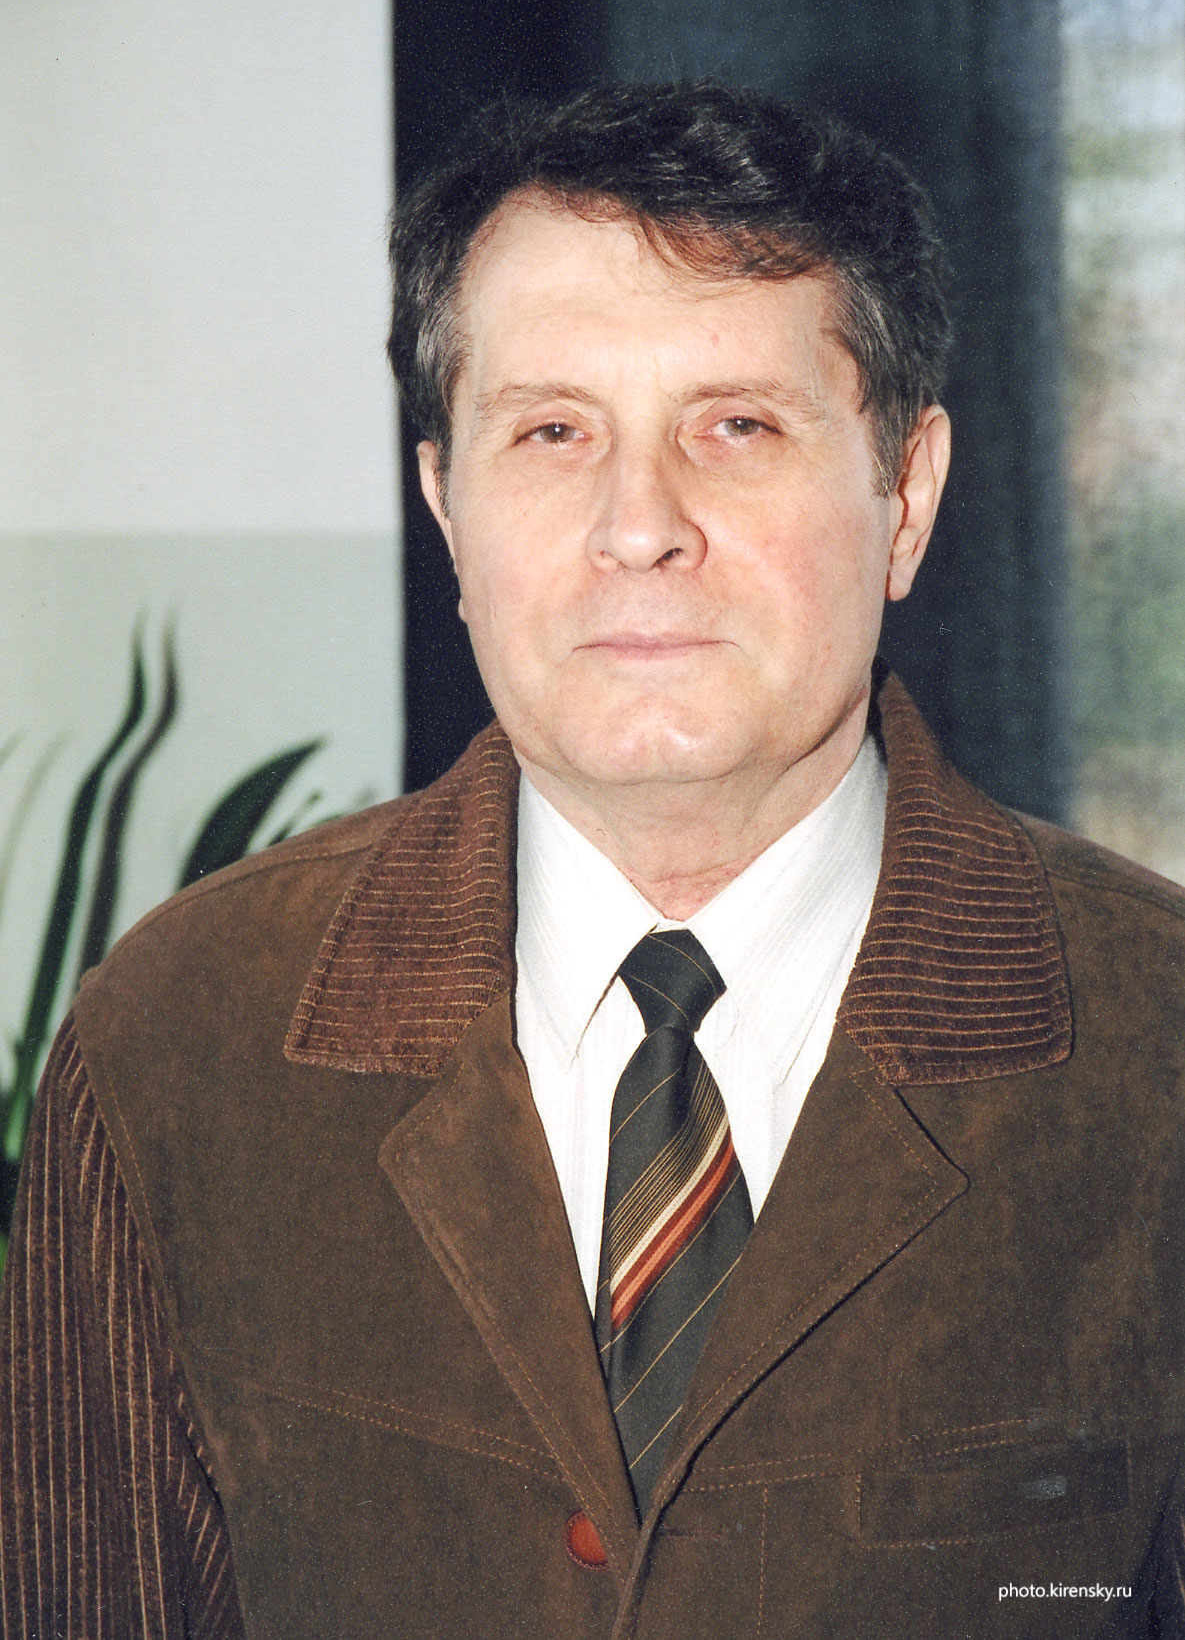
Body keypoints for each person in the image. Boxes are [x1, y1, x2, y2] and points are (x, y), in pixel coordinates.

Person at [1, 81, 1183, 1639]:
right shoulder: (181, 1034)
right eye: (552, 432)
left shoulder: (1158, 1042)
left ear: (902, 497)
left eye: (736, 427)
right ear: (447, 506)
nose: (638, 527)